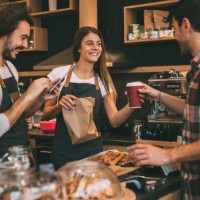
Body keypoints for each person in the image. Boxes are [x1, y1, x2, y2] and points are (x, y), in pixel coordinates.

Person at [127, 0, 200, 199]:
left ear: (186, 25)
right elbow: (193, 112)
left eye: (174, 28)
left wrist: (166, 155)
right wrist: (157, 94)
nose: (175, 36)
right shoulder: (195, 69)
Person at [42, 26, 134, 169]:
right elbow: (45, 115)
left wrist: (132, 104)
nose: (96, 47)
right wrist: (59, 106)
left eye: (99, 44)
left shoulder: (103, 81)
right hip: (62, 153)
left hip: (92, 154)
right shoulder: (59, 75)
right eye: (89, 43)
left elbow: (115, 121)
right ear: (78, 48)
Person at [0, 4, 58, 157]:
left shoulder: (10, 68)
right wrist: (27, 95)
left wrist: (39, 99)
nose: (25, 45)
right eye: (23, 37)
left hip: (19, 158)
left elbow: (20, 113)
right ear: (4, 33)